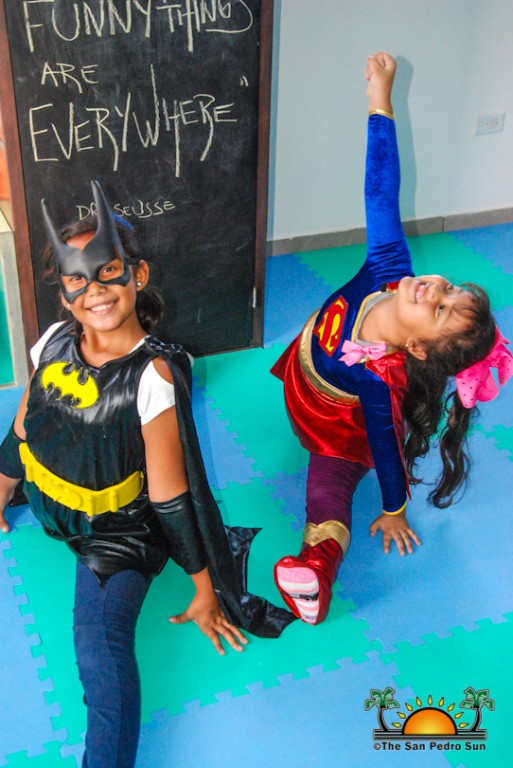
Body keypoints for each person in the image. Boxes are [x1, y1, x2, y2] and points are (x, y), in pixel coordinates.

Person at [0, 181, 293, 768]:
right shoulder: (53, 342)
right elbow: (26, 429)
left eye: (107, 271)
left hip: (118, 536)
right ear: (63, 294)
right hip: (54, 498)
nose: (94, 290)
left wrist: (205, 588)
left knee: (99, 655)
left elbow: (171, 496)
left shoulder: (154, 374)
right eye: (76, 279)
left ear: (137, 274)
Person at [271, 52, 513, 626]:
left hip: (337, 430)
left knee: (325, 495)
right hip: (302, 378)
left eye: (441, 308)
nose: (435, 288)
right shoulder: (388, 267)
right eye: (450, 287)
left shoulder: (379, 380)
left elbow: (385, 448)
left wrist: (395, 509)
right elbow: (381, 191)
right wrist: (379, 100)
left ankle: (315, 572)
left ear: (420, 349)